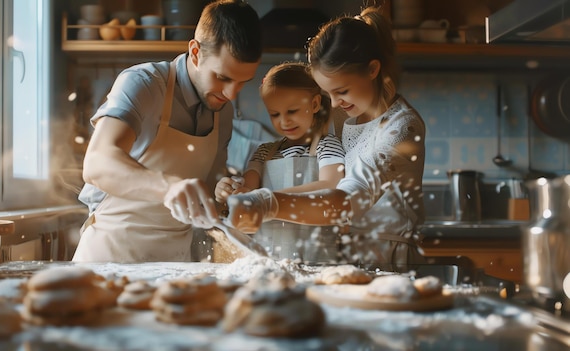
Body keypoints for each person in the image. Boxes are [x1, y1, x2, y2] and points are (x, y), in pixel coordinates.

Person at [223, 7, 427, 270]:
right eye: (329, 93)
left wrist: (268, 202)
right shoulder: (347, 113)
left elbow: (346, 201)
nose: (334, 103)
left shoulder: (401, 127)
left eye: (341, 90)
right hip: (347, 253)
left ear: (373, 69)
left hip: (387, 255)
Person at [72, 0, 262, 263]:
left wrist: (224, 195)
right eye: (222, 78)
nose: (230, 94)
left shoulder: (223, 111)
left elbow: (206, 193)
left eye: (242, 83)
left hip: (173, 266)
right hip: (109, 257)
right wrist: (168, 187)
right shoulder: (143, 84)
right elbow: (97, 163)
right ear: (195, 52)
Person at [214, 62, 345, 262]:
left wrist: (269, 201)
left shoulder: (327, 145)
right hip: (268, 257)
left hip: (317, 258)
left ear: (315, 104)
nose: (284, 121)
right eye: (275, 114)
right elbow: (248, 188)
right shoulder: (265, 151)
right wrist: (228, 190)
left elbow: (331, 186)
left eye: (292, 111)